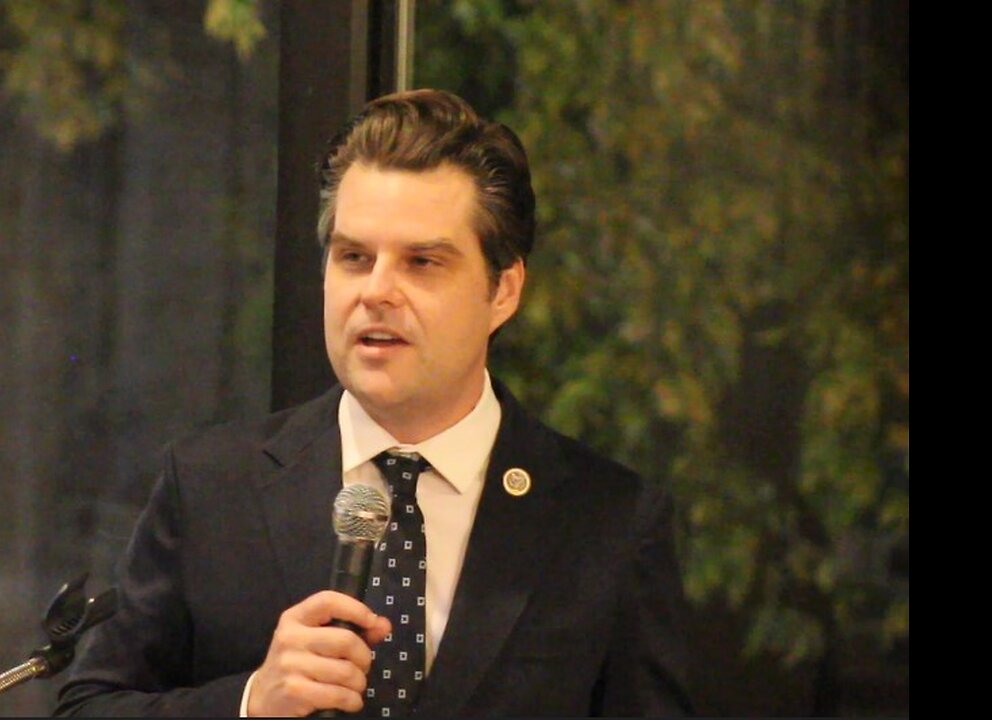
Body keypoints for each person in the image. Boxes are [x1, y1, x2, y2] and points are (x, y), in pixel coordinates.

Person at [55, 89, 694, 717]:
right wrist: (252, 704)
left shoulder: (608, 522)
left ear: (503, 291)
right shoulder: (210, 488)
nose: (378, 291)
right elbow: (86, 706)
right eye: (355, 257)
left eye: (422, 262)